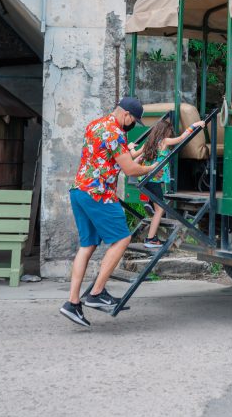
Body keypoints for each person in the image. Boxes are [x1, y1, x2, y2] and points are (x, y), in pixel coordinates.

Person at [59, 96, 159, 328]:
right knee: (123, 238)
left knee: (87, 246)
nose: (132, 124)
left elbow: (108, 158)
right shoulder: (115, 133)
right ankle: (96, 293)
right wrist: (151, 167)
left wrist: (137, 152)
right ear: (126, 114)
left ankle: (72, 303)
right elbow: (130, 169)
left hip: (80, 191)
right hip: (99, 193)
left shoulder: (96, 125)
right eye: (133, 120)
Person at [132, 116, 203, 249]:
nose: (171, 134)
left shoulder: (149, 143)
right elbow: (182, 138)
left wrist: (130, 147)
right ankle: (151, 239)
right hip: (153, 180)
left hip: (145, 179)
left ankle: (150, 210)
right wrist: (196, 125)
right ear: (165, 131)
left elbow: (134, 155)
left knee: (157, 207)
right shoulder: (164, 141)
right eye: (170, 131)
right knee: (160, 210)